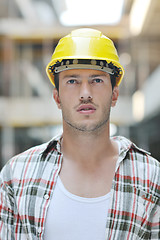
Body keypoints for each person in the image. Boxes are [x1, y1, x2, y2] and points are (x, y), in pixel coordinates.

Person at [0, 28, 159, 240]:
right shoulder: (16, 175)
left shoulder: (150, 176)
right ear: (57, 97)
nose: (85, 93)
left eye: (97, 80)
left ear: (114, 94)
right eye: (72, 81)